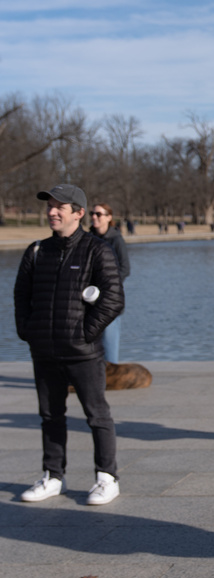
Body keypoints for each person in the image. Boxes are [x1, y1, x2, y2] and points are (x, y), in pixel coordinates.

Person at [14, 184, 125, 505]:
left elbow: (114, 299)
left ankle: (107, 477)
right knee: (50, 415)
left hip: (82, 352)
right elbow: (21, 296)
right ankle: (53, 476)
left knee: (97, 416)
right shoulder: (36, 251)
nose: (52, 211)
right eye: (50, 206)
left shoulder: (97, 250)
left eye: (60, 207)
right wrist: (28, 330)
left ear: (78, 213)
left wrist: (84, 333)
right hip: (44, 350)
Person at [89, 202, 130, 365]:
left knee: (109, 341)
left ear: (109, 217)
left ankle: (109, 377)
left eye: (99, 214)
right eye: (92, 213)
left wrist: (106, 286)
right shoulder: (88, 238)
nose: (94, 217)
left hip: (109, 298)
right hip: (89, 298)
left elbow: (125, 269)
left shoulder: (116, 239)